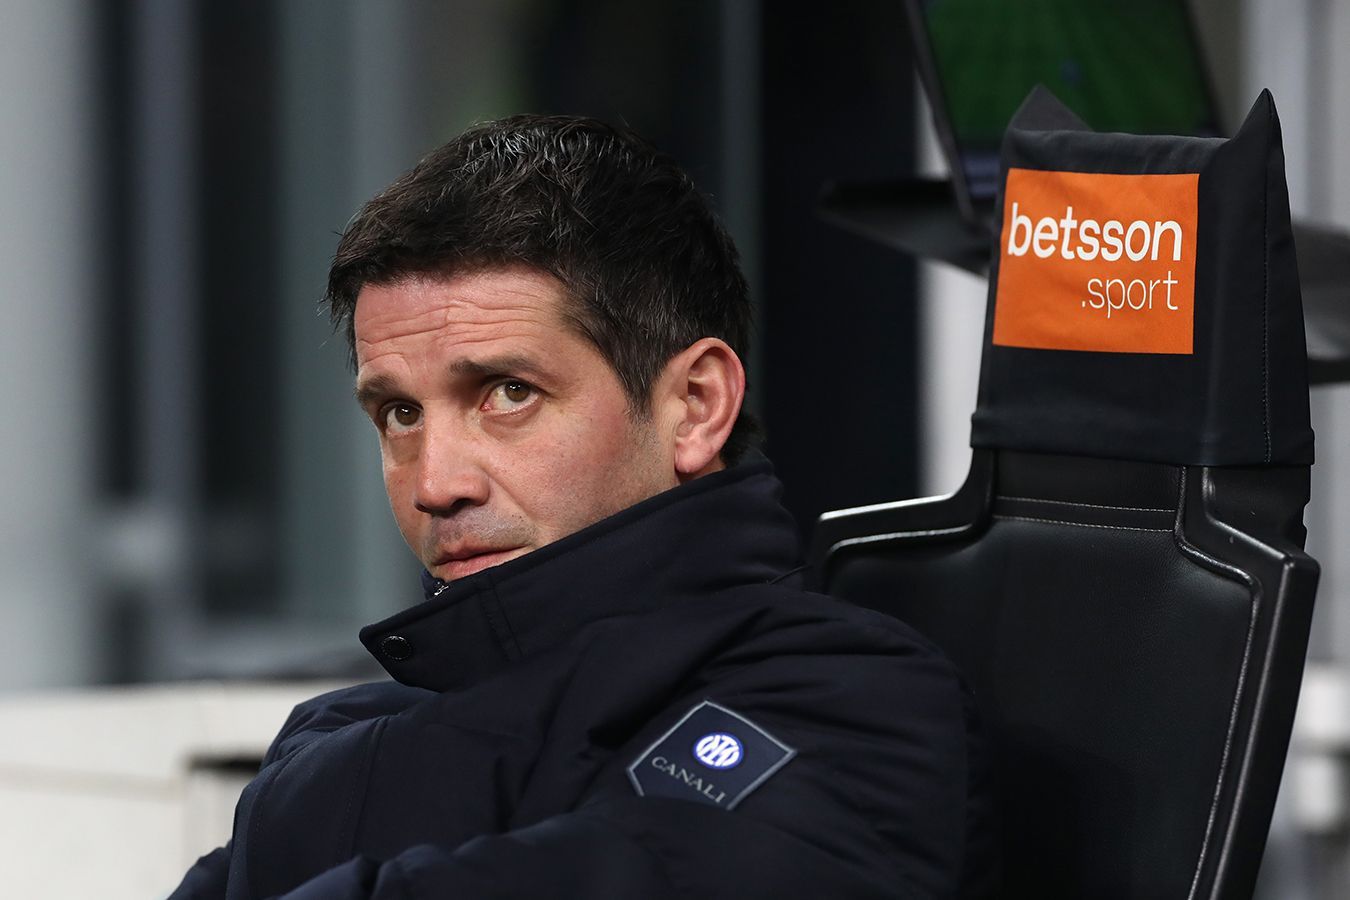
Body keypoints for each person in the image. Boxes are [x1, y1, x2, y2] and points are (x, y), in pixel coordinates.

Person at [170, 114, 994, 899]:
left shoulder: (847, 702)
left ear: (696, 406)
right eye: (401, 414)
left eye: (508, 392)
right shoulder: (334, 739)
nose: (435, 485)